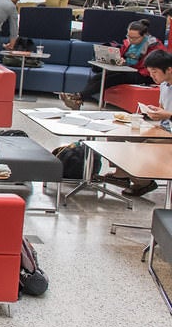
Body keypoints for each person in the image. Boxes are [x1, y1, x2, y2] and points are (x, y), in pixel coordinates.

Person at [103, 50, 172, 197]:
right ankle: (121, 174)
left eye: (155, 72)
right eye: (150, 72)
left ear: (169, 70)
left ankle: (144, 182)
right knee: (116, 134)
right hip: (163, 127)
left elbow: (168, 113)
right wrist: (155, 112)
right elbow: (164, 110)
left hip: (169, 134)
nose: (152, 76)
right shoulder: (164, 86)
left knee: (142, 146)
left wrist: (167, 115)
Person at [60, 19, 161, 110]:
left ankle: (78, 97)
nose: (131, 40)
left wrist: (133, 68)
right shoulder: (129, 43)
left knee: (113, 78)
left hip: (145, 74)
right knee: (99, 77)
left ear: (143, 36)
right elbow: (122, 55)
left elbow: (155, 65)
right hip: (127, 69)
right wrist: (120, 60)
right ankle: (78, 100)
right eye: (129, 37)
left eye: (134, 38)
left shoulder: (154, 46)